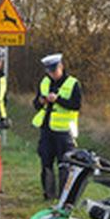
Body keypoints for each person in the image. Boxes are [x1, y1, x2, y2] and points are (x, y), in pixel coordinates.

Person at [32, 53, 82, 200]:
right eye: (49, 71)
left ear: (61, 67)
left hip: (64, 131)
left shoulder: (73, 83)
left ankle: (64, 196)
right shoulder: (44, 82)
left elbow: (76, 105)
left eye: (54, 71)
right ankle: (48, 194)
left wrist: (58, 99)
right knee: (46, 162)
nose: (52, 74)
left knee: (65, 165)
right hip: (46, 129)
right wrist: (41, 101)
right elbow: (35, 104)